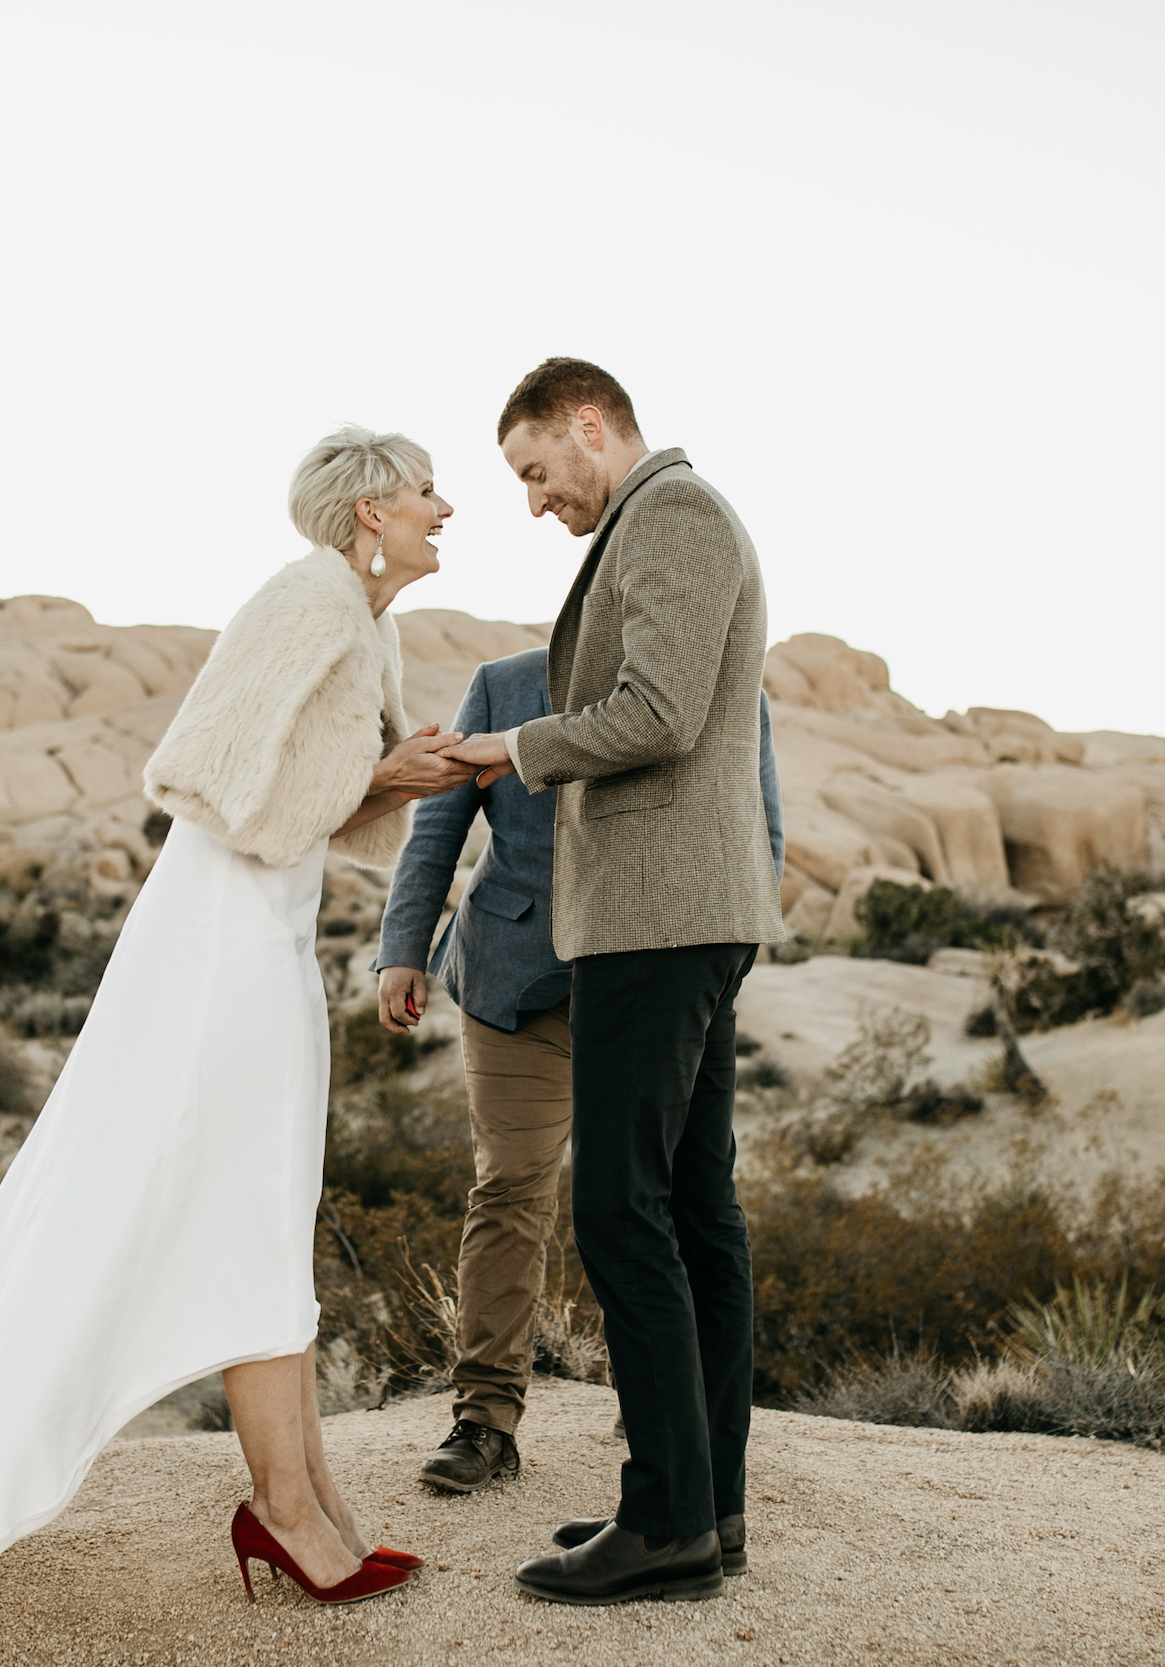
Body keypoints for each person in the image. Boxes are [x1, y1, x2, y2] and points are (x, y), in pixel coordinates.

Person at [0, 427, 473, 1617]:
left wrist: (397, 776)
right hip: (216, 941)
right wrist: (391, 779)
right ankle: (288, 1512)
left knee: (269, 1201)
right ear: (366, 512)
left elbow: (311, 797)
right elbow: (199, 776)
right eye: (421, 490)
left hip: (266, 933)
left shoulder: (368, 621)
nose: (442, 506)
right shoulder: (306, 599)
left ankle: (307, 1496)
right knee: (248, 1200)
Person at [442, 359, 784, 1606]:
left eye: (536, 471)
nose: (534, 501)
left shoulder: (674, 513)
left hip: (658, 919)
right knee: (696, 1207)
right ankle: (707, 1505)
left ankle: (666, 1522)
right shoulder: (657, 519)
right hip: (677, 916)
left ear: (591, 426)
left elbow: (659, 712)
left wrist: (508, 747)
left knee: (623, 1208)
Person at [372, 651, 783, 1497]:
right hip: (515, 977)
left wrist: (726, 963)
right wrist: (402, 949)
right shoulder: (505, 684)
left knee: (655, 1194)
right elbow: (438, 830)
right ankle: (484, 1420)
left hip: (649, 982)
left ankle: (660, 1407)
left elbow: (758, 828)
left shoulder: (709, 679)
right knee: (510, 1190)